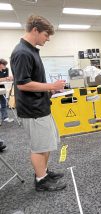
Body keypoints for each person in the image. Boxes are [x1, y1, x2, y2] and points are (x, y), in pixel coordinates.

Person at [10, 15, 66, 191]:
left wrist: (49, 90)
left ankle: (44, 171)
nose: (47, 39)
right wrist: (51, 85)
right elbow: (23, 84)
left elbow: (33, 80)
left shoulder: (31, 50)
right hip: (32, 110)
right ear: (35, 30)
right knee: (39, 147)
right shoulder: (22, 52)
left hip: (41, 106)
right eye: (46, 35)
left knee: (47, 143)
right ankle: (41, 180)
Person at [0, 59, 14, 123]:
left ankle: (5, 117)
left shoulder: (6, 69)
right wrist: (5, 78)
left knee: (3, 103)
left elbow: (6, 78)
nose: (5, 66)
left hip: (2, 88)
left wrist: (9, 78)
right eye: (3, 65)